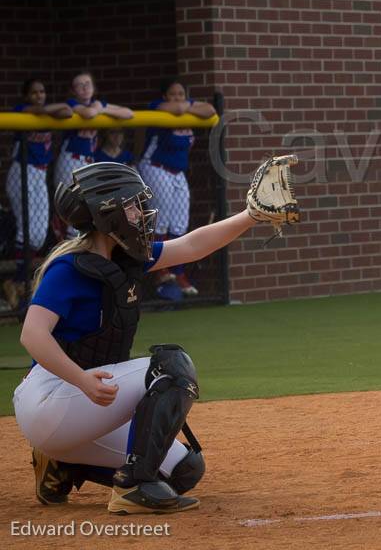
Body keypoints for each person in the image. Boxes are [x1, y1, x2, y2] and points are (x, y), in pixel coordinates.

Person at [13, 160, 293, 514]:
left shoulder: (127, 257)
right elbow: (32, 335)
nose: (142, 212)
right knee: (173, 367)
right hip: (50, 398)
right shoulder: (69, 268)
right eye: (131, 206)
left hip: (78, 408)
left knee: (184, 471)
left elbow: (191, 246)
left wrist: (251, 215)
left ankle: (61, 464)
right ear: (105, 216)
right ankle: (133, 488)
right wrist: (81, 380)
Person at [139, 79, 215, 298]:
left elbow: (210, 109)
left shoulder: (186, 108)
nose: (178, 98)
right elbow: (180, 108)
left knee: (180, 222)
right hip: (155, 167)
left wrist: (187, 105)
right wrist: (186, 106)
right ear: (164, 97)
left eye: (181, 94)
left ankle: (178, 272)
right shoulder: (157, 106)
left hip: (177, 172)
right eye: (173, 94)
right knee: (160, 220)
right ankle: (159, 268)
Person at [3, 80, 72, 311]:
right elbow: (46, 111)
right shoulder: (23, 111)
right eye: (34, 92)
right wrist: (49, 110)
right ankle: (19, 281)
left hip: (40, 174)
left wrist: (52, 109)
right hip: (22, 171)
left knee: (40, 235)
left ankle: (18, 281)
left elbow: (67, 112)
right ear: (26, 96)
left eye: (42, 92)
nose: (39, 96)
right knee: (27, 231)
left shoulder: (47, 113)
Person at [52, 72, 133, 225]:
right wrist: (99, 108)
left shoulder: (98, 105)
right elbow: (88, 114)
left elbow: (128, 113)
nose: (84, 87)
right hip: (70, 160)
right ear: (73, 91)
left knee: (87, 210)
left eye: (87, 83)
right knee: (73, 209)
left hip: (88, 162)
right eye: (79, 85)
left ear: (94, 87)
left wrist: (102, 109)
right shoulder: (71, 103)